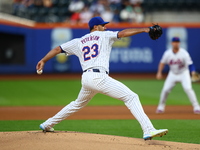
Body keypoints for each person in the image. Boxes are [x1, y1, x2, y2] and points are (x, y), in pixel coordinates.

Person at [36, 16, 168, 140]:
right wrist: (145, 29)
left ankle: (48, 124)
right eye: (103, 25)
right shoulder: (104, 35)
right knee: (131, 97)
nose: (105, 27)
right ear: (95, 27)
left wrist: (43, 60)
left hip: (86, 78)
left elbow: (57, 49)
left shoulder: (79, 41)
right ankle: (148, 129)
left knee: (77, 103)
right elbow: (122, 33)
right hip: (98, 77)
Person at [156, 37, 200, 114]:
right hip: (172, 74)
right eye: (174, 42)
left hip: (183, 73)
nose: (176, 43)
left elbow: (190, 64)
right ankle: (161, 106)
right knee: (165, 90)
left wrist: (192, 72)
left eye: (177, 42)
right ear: (171, 43)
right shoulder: (167, 53)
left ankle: (196, 106)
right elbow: (162, 62)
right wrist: (159, 72)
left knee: (188, 89)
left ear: (179, 43)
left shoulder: (184, 53)